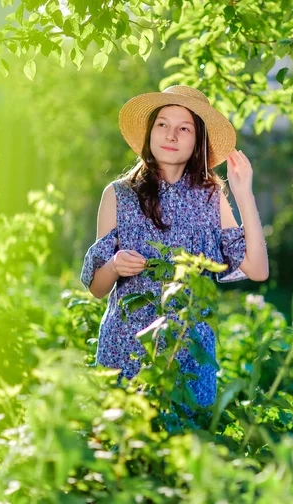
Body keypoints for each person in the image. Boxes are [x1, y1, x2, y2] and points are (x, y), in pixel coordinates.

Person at [80, 85, 269, 409]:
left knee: (187, 450)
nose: (171, 135)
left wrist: (243, 194)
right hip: (127, 348)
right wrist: (114, 266)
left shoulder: (210, 197)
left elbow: (258, 269)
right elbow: (98, 289)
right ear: (150, 133)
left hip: (189, 352)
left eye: (184, 128)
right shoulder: (119, 194)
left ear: (197, 141)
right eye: (162, 124)